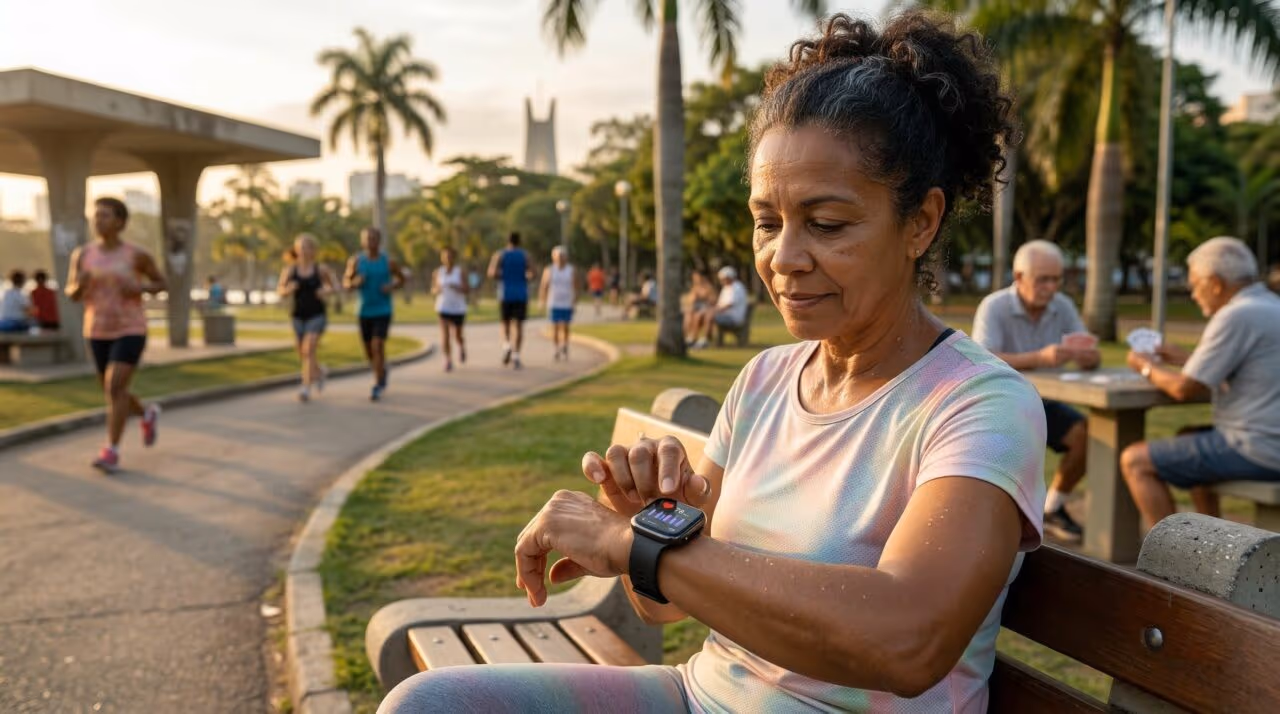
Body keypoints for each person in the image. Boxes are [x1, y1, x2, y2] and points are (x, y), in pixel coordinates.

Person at [381, 12, 1043, 712]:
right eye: (767, 222)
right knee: (428, 704)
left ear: (921, 222)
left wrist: (643, 547)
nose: (784, 258)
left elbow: (907, 641)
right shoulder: (765, 381)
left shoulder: (978, 405)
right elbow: (663, 605)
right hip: (700, 695)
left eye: (826, 224)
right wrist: (648, 525)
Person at [1122, 236, 1280, 530]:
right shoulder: (1269, 305)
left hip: (1260, 448)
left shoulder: (1236, 315)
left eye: (1195, 285)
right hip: (1272, 440)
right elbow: (1241, 370)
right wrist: (1185, 358)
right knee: (1188, 436)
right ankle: (1211, 543)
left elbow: (1184, 389)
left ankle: (1173, 552)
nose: (1194, 295)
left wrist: (1144, 365)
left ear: (1216, 284)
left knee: (1135, 461)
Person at [972, 240, 1101, 543]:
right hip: (1001, 403)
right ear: (1019, 277)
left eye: (1056, 279)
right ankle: (997, 525)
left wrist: (1089, 356)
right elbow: (982, 359)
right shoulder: (994, 306)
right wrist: (1040, 358)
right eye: (1043, 279)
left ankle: (1053, 507)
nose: (1051, 288)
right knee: (1014, 449)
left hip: (1043, 401)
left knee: (1089, 438)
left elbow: (1091, 353)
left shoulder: (1063, 305)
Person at [65, 197, 167, 473]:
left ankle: (111, 450)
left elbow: (161, 283)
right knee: (113, 391)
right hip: (97, 329)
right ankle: (146, 413)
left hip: (130, 328)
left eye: (105, 215)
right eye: (96, 215)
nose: (98, 220)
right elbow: (71, 293)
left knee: (115, 387)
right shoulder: (83, 254)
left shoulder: (136, 255)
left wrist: (140, 289)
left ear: (120, 222)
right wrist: (79, 286)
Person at [345, 227, 403, 401]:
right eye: (367, 239)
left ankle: (377, 384)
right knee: (369, 352)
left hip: (383, 310)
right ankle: (381, 369)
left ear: (379, 241)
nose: (370, 242)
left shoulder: (388, 261)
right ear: (362, 242)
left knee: (378, 345)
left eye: (373, 238)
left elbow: (401, 279)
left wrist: (391, 286)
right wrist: (355, 282)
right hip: (364, 311)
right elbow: (346, 283)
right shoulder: (356, 261)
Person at [278, 234, 337, 403]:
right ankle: (319, 372)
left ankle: (305, 387)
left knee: (309, 348)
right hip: (297, 315)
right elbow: (280, 290)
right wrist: (288, 289)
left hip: (317, 315)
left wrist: (325, 291)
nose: (304, 250)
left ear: (313, 250)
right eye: (301, 247)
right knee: (302, 352)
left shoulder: (321, 269)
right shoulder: (290, 270)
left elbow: (334, 286)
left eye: (307, 247)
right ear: (296, 250)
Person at [487, 232, 533, 369]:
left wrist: (503, 275)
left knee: (505, 323)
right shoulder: (525, 255)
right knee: (518, 325)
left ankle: (507, 345)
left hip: (505, 294)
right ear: (519, 241)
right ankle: (516, 355)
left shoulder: (499, 254)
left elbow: (491, 273)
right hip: (521, 294)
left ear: (507, 241)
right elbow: (533, 273)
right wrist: (524, 276)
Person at [688, 266, 750, 348]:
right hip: (725, 315)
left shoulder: (737, 287)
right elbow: (719, 304)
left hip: (733, 318)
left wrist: (714, 310)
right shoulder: (726, 288)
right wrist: (711, 309)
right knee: (700, 315)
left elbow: (729, 304)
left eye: (723, 279)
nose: (721, 281)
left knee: (710, 315)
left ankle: (706, 340)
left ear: (729, 277)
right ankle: (693, 338)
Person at [433, 247, 469, 372]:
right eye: (445, 256)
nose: (447, 258)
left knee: (457, 335)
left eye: (449, 256)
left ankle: (461, 346)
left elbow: (467, 289)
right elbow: (433, 289)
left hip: (458, 308)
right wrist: (437, 290)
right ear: (441, 258)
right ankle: (447, 359)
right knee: (445, 335)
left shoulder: (460, 272)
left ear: (454, 258)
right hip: (443, 307)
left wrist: (458, 287)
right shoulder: (438, 272)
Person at [540, 247, 579, 361]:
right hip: (554, 303)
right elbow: (544, 286)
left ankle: (565, 345)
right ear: (554, 257)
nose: (560, 258)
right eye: (558, 256)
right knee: (555, 327)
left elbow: (576, 287)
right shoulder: (549, 270)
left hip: (567, 303)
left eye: (562, 256)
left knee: (565, 327)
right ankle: (556, 348)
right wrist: (542, 301)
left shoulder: (571, 270)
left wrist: (574, 302)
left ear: (566, 257)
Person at [681, 269, 717, 343]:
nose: (695, 279)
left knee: (696, 316)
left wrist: (704, 296)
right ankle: (686, 337)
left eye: (696, 277)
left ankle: (693, 337)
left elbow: (713, 301)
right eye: (694, 277)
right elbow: (690, 300)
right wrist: (694, 297)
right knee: (688, 316)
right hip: (696, 309)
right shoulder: (694, 287)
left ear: (702, 277)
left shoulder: (708, 287)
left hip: (706, 309)